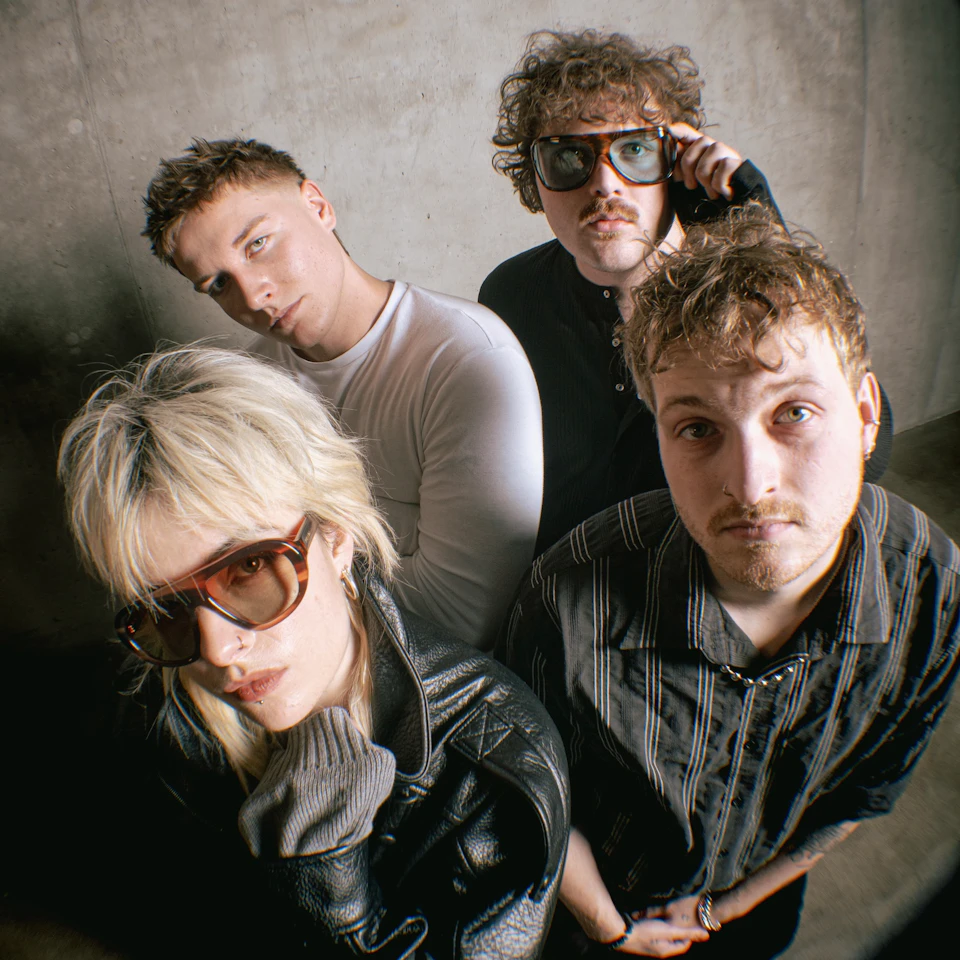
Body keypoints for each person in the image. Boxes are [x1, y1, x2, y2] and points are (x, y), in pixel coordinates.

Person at [497, 206, 959, 958]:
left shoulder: (932, 591)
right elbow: (530, 791)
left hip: (758, 912)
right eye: (698, 428)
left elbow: (862, 789)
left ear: (866, 415)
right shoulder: (567, 597)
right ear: (658, 434)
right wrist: (612, 929)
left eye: (794, 413)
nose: (750, 484)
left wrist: (724, 911)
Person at [57, 345, 568, 959]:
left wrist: (324, 882)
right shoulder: (154, 706)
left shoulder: (492, 763)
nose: (216, 649)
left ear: (336, 535)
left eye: (248, 568)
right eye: (166, 607)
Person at [480, 29, 891, 553]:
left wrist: (762, 245)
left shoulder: (739, 297)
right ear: (534, 180)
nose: (605, 183)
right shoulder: (511, 296)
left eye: (635, 150)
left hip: (708, 566)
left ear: (678, 162)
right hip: (568, 572)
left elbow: (869, 454)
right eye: (567, 156)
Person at [142, 139, 543, 649]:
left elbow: (457, 617)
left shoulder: (464, 357)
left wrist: (289, 584)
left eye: (258, 244)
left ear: (317, 206)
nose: (253, 295)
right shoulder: (251, 385)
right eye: (219, 284)